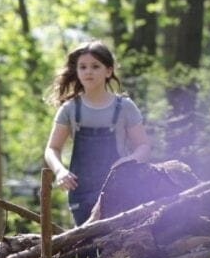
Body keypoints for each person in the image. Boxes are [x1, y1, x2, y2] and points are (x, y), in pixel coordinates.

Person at [42, 41, 152, 226]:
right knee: (86, 245)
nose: (88, 72)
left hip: (119, 188)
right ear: (76, 71)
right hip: (80, 190)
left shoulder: (125, 107)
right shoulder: (70, 109)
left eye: (95, 66)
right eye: (83, 67)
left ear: (108, 71)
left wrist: (131, 160)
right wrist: (60, 171)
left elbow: (144, 146)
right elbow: (52, 149)